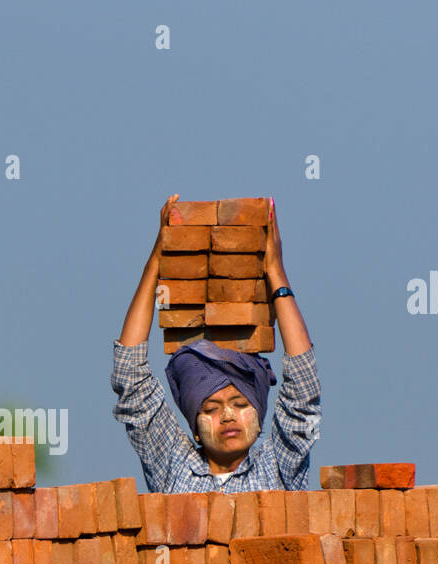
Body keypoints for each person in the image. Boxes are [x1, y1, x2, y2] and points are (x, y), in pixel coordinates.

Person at [111, 193, 321, 493]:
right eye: (210, 408)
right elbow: (130, 379)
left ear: (260, 416)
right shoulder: (173, 466)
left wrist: (276, 273)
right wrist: (156, 263)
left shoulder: (277, 469)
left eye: (239, 404)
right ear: (195, 427)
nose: (227, 416)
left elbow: (303, 393)